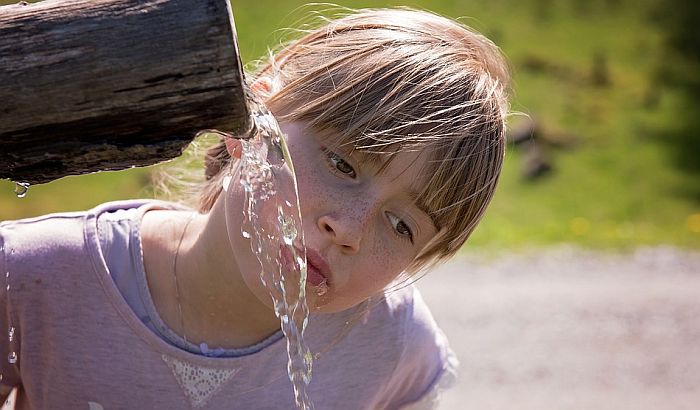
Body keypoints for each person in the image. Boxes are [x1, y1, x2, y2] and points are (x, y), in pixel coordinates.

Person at [0, 7, 509, 409]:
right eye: (342, 164)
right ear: (253, 118)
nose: (348, 229)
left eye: (400, 225)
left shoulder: (390, 343)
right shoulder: (35, 277)